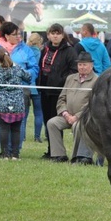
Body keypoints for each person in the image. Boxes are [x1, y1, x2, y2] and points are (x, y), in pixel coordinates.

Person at [0, 22, 39, 157]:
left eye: (19, 34)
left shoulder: (26, 50)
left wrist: (23, 77)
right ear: (6, 36)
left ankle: (15, 151)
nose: (19, 37)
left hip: (21, 91)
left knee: (18, 123)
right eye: (15, 34)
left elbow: (34, 69)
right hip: (0, 92)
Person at [46, 51, 98, 163]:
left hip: (85, 117)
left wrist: (77, 116)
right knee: (52, 123)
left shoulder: (96, 80)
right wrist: (65, 113)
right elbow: (61, 99)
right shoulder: (70, 78)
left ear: (91, 65)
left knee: (77, 126)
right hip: (67, 115)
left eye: (85, 64)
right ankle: (59, 155)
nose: (82, 67)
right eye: (80, 64)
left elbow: (92, 104)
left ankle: (77, 156)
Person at [38, 23, 77, 158]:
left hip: (59, 92)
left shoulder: (69, 50)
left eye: (58, 33)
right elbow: (40, 67)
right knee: (47, 121)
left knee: (56, 121)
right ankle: (51, 150)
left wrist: (61, 81)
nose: (55, 36)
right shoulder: (45, 49)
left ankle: (58, 152)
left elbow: (74, 70)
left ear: (62, 35)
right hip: (44, 91)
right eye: (52, 33)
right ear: (48, 35)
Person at [0, 47, 30, 159]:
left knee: (4, 129)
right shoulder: (18, 69)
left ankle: (5, 154)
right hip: (18, 104)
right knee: (16, 129)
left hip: (2, 104)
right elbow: (28, 77)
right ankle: (15, 155)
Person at [25, 32, 44, 142]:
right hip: (37, 86)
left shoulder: (25, 52)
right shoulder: (41, 54)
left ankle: (22, 136)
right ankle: (37, 136)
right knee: (38, 112)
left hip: (26, 86)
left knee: (24, 114)